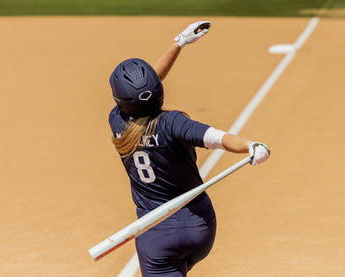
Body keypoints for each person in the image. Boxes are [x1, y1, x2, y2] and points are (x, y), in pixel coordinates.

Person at [108, 21, 270, 277]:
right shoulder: (173, 124)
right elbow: (219, 138)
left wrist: (178, 43)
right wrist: (250, 145)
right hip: (200, 228)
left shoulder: (117, 122)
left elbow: (142, 91)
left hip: (158, 238)